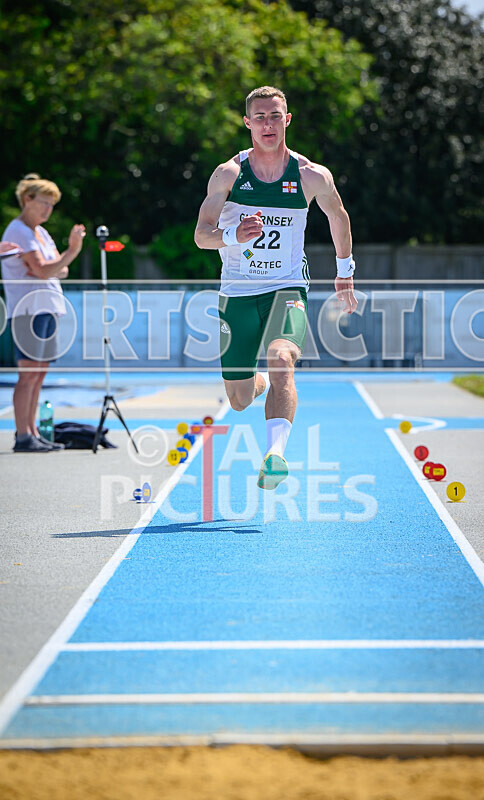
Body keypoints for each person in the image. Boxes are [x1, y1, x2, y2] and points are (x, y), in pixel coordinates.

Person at [195, 85, 357, 490]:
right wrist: (233, 236)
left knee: (282, 356)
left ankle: (275, 455)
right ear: (248, 123)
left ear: (288, 119)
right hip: (237, 291)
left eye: (275, 116)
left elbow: (338, 217)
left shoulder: (310, 175)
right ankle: (259, 382)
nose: (268, 124)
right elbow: (201, 235)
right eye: (260, 117)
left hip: (287, 286)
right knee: (238, 399)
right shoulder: (229, 174)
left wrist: (344, 270)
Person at [1, 173, 86, 452]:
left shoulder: (40, 232)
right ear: (27, 199)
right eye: (44, 203)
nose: (48, 210)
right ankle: (23, 434)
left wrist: (54, 265)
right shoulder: (18, 231)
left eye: (52, 205)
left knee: (39, 374)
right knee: (28, 374)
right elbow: (45, 269)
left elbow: (58, 270)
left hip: (46, 308)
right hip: (28, 311)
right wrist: (71, 251)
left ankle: (33, 431)